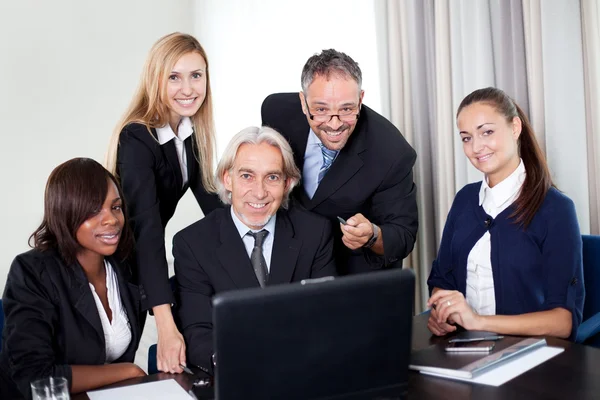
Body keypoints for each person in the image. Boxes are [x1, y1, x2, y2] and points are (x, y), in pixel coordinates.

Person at [174, 126, 337, 372]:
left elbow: (326, 319)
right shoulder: (193, 243)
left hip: (303, 370)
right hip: (235, 375)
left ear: (287, 183)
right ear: (227, 179)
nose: (259, 192)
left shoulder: (315, 233)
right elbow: (199, 334)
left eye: (272, 177)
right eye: (247, 176)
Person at [427, 87, 584, 340]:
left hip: (529, 355)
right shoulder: (465, 200)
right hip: (463, 346)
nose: (476, 147)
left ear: (515, 128)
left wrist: (477, 321)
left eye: (487, 132)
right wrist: (440, 311)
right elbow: (442, 280)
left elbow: (563, 321)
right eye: (466, 138)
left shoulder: (555, 209)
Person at [105, 32, 222, 374]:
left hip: (145, 269)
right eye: (175, 77)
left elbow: (215, 210)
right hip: (117, 271)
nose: (188, 88)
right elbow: (148, 233)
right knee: (128, 372)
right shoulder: (137, 137)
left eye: (196, 75)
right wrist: (166, 326)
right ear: (156, 80)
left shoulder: (190, 132)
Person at [261, 49, 418, 275]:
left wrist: (371, 235)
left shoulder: (392, 152)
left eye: (346, 109)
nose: (334, 124)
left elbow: (403, 236)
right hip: (287, 262)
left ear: (360, 100)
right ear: (303, 103)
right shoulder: (276, 111)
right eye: (321, 110)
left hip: (351, 274)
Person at [0, 158, 144, 399]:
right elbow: (35, 377)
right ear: (66, 213)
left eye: (115, 207)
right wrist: (126, 371)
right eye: (94, 210)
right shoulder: (32, 272)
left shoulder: (126, 266)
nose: (111, 220)